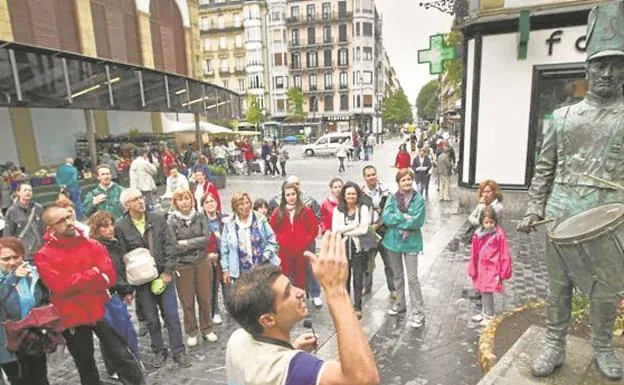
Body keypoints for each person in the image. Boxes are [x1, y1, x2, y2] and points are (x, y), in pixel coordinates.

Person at [518, 3, 624, 379]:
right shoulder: (562, 117)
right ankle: (553, 343)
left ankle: (602, 347)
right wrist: (533, 208)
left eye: (616, 64)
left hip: (611, 216)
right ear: (587, 69)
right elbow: (543, 169)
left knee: (606, 290)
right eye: (600, 64)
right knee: (558, 286)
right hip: (561, 213)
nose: (608, 72)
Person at [225, 232, 380, 385]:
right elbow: (364, 379)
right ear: (267, 320)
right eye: (287, 293)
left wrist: (292, 348)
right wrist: (336, 289)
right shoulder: (294, 369)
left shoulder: (237, 339)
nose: (300, 292)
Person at [34, 206, 145, 385]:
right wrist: (92, 273)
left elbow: (108, 277)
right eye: (61, 221)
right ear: (50, 228)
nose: (69, 222)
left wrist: (77, 280)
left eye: (69, 217)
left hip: (101, 308)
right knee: (85, 364)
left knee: (122, 355)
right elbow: (59, 286)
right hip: (71, 316)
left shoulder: (92, 244)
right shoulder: (44, 256)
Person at [115, 188, 191, 368]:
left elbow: (170, 246)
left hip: (163, 275)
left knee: (172, 315)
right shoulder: (121, 226)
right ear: (127, 205)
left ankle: (178, 351)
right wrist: (127, 284)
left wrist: (167, 273)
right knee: (151, 319)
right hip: (141, 282)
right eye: (135, 199)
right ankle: (158, 350)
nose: (141, 201)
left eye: (141, 197)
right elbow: (121, 256)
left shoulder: (157, 219)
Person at [88, 211, 137, 381]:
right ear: (97, 228)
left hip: (118, 292)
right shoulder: (98, 247)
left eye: (111, 224)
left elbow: (120, 270)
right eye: (105, 226)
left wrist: (127, 290)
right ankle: (113, 366)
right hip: (107, 295)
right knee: (110, 333)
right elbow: (109, 274)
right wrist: (124, 289)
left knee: (122, 328)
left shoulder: (114, 243)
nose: (110, 229)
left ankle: (127, 361)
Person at [167, 189, 218, 347]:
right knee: (187, 301)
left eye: (187, 198)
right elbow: (173, 244)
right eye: (180, 199)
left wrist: (186, 243)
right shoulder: (171, 221)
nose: (184, 202)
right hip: (183, 266)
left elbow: (206, 239)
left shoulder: (200, 216)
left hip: (202, 262)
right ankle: (191, 331)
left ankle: (207, 328)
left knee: (205, 297)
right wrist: (190, 243)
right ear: (176, 203)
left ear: (192, 200)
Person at [0, 237, 50, 385]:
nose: (12, 262)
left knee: (40, 378)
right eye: (6, 259)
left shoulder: (31, 274)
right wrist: (12, 278)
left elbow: (41, 298)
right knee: (20, 380)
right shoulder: (7, 279)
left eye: (16, 257)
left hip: (31, 337)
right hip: (5, 342)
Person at [382, 169, 427, 328]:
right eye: (403, 180)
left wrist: (399, 220)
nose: (407, 182)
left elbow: (417, 221)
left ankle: (418, 312)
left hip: (411, 242)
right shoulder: (392, 198)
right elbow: (386, 218)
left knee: (413, 278)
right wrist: (405, 217)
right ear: (398, 182)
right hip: (393, 242)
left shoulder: (418, 199)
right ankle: (400, 304)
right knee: (397, 276)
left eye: (409, 179)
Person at [269, 176, 322, 307]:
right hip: (285, 251)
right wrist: (280, 240)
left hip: (302, 250)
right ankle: (287, 300)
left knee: (301, 276)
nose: (291, 197)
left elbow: (313, 229)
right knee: (286, 275)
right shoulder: (278, 212)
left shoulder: (306, 210)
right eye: (288, 195)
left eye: (293, 194)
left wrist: (306, 239)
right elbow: (272, 229)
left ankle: (301, 301)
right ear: (284, 196)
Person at [221, 192, 279, 285]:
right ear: (235, 207)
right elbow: (224, 249)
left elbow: (272, 239)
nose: (246, 206)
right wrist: (226, 269)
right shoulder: (229, 223)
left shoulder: (260, 219)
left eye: (247, 203)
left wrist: (265, 256)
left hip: (260, 268)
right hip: (239, 271)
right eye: (242, 204)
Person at [332, 182, 371, 319]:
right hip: (342, 248)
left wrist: (346, 229)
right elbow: (335, 229)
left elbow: (364, 229)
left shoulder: (363, 208)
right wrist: (354, 225)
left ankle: (358, 306)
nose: (351, 196)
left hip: (358, 248)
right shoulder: (338, 210)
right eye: (348, 193)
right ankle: (347, 305)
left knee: (358, 277)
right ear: (344, 195)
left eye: (354, 193)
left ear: (357, 195)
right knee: (345, 278)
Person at [468, 208, 512, 326]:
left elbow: (504, 252)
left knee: (487, 291)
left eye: (491, 222)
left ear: (495, 221)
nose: (489, 225)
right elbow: (474, 252)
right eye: (486, 222)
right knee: (482, 290)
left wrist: (504, 269)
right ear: (482, 221)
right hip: (481, 266)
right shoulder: (477, 234)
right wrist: (473, 266)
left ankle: (490, 314)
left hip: (493, 267)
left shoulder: (498, 234)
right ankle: (484, 312)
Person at [361, 166, 395, 298]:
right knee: (368, 262)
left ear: (376, 174)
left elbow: (390, 210)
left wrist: (379, 223)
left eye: (373, 174)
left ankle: (393, 288)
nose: (371, 177)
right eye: (368, 175)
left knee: (389, 262)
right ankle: (366, 286)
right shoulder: (361, 192)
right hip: (369, 232)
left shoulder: (386, 191)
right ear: (364, 177)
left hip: (385, 230)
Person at [202, 193, 227, 325]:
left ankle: (230, 306)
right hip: (211, 259)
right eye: (207, 202)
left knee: (227, 285)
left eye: (212, 201)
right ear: (203, 206)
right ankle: (215, 311)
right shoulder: (201, 221)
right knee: (213, 286)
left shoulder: (224, 219)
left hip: (225, 257)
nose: (210, 204)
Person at [3, 183, 44, 260]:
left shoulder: (38, 208)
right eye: (25, 190)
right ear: (18, 192)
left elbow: (44, 228)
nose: (28, 192)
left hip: (41, 250)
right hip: (24, 252)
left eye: (30, 190)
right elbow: (8, 234)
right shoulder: (12, 211)